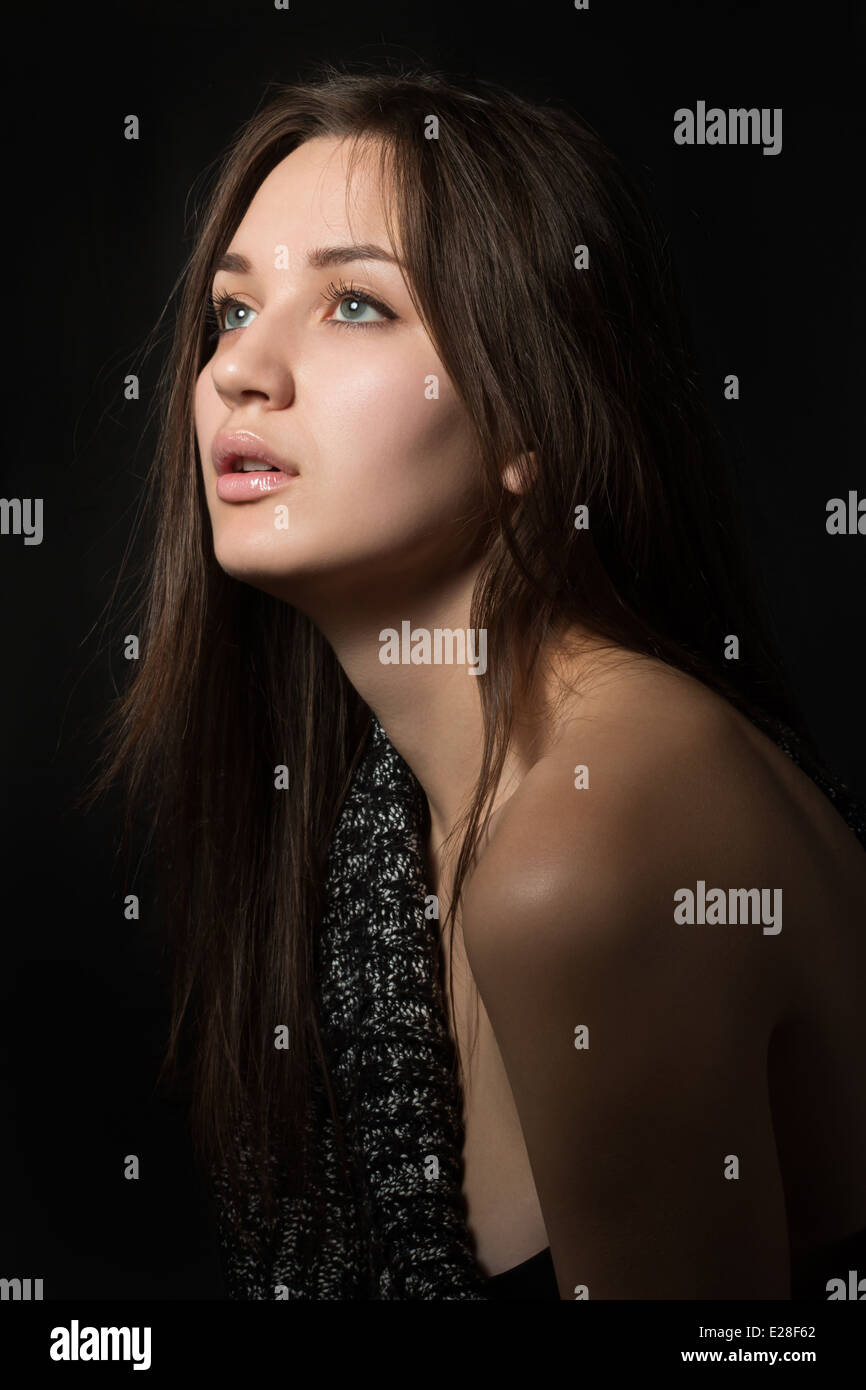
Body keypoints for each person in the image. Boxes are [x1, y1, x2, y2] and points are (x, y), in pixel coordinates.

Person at [84, 64, 866, 1299]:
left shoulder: (588, 845)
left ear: (524, 417)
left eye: (353, 306)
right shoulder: (391, 820)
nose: (240, 371)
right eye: (232, 312)